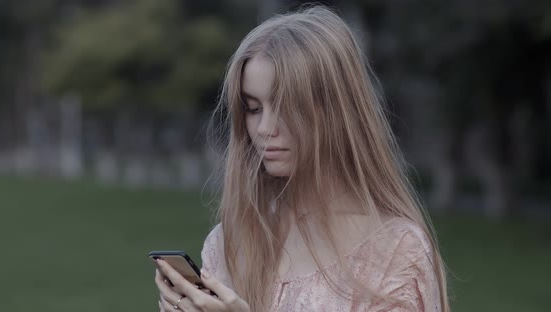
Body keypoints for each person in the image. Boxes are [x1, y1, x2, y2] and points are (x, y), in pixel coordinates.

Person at [154, 5, 450, 312]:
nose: (266, 128)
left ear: (337, 110)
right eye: (254, 108)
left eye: (286, 106)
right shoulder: (231, 242)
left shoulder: (396, 251)